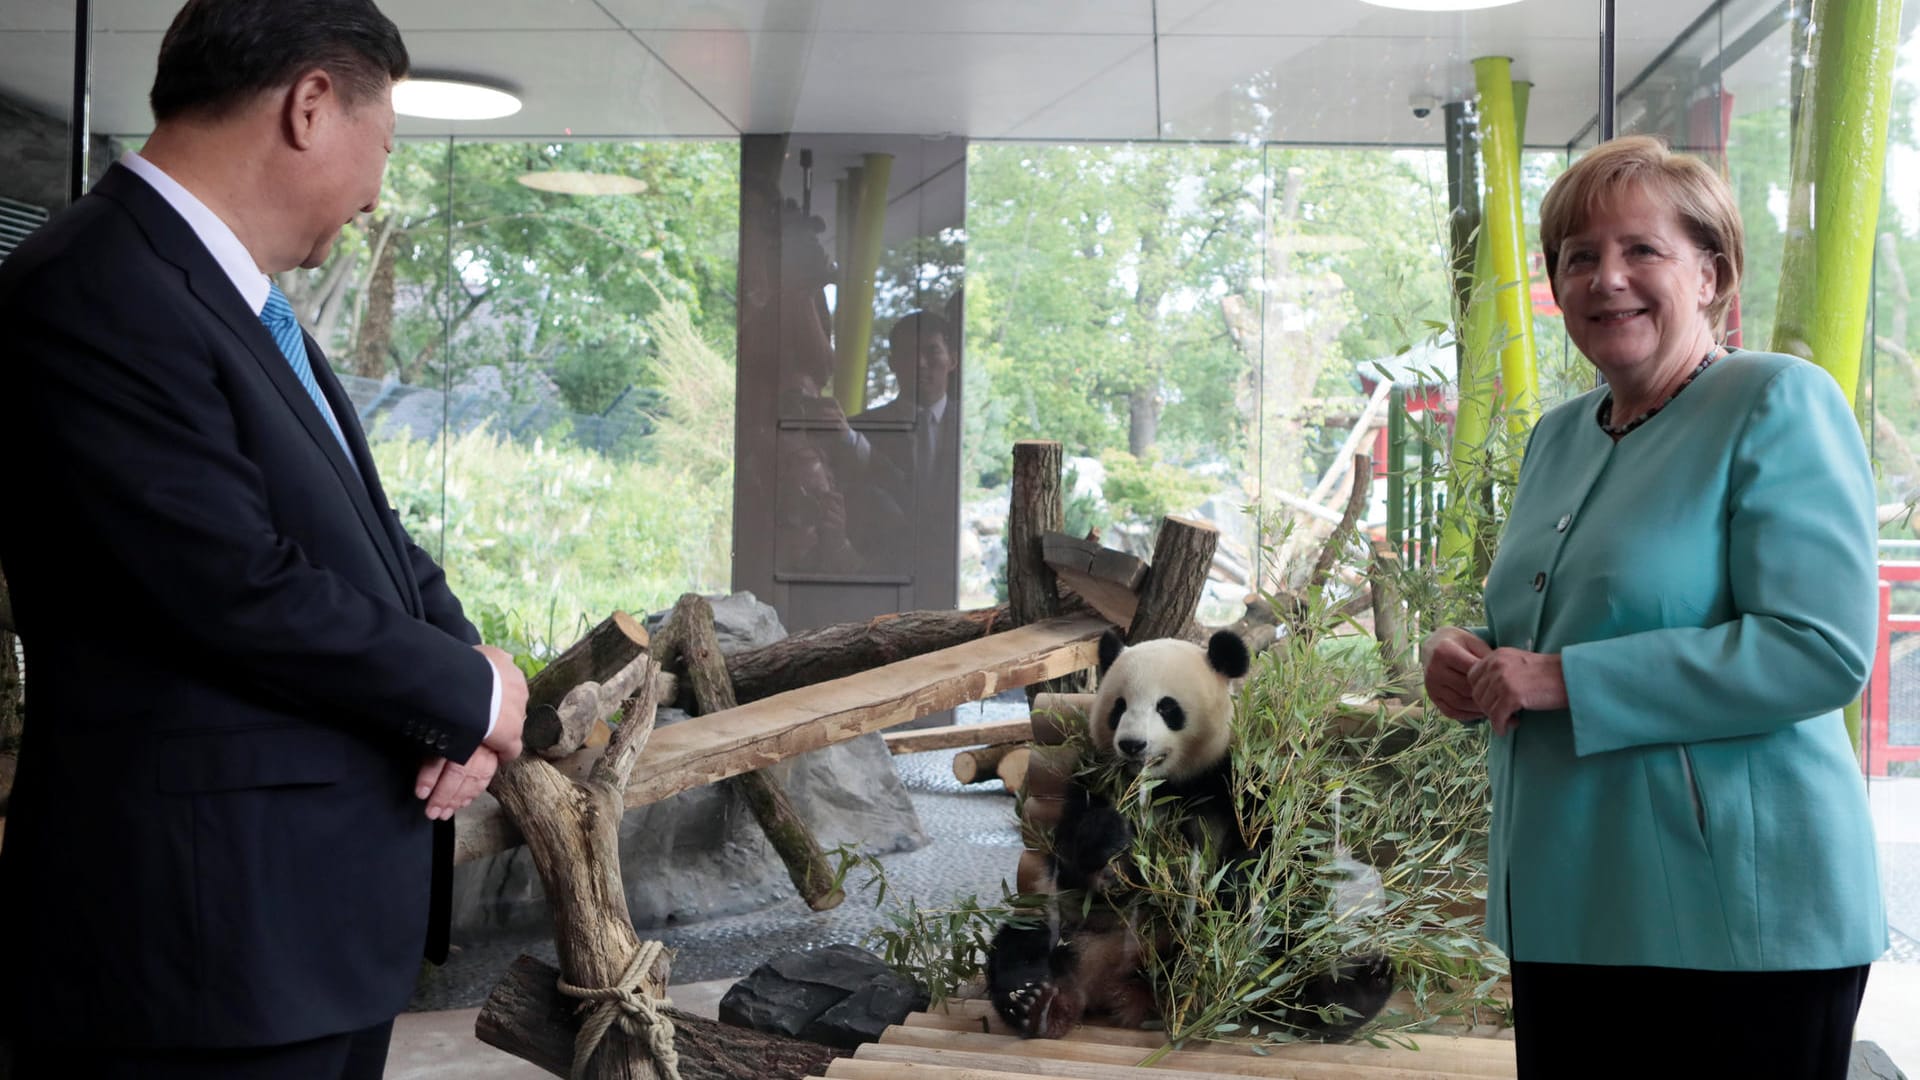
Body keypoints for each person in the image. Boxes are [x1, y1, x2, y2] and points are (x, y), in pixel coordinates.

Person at [0, 1, 530, 1076]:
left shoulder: (233, 303)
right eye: (384, 148)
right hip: (197, 949)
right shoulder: (95, 286)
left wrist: (470, 681)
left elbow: (369, 535)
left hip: (296, 936)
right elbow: (231, 583)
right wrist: (468, 696)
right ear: (311, 105)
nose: (379, 192)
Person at [1420, 134, 1886, 1079]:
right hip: (1566, 898)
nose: (1606, 279)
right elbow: (1547, 629)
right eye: (1579, 257)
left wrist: (1560, 678)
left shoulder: (1777, 401)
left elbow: (1819, 650)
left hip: (1741, 919)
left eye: (1642, 251)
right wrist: (1473, 657)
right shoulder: (1558, 436)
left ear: (1711, 275)